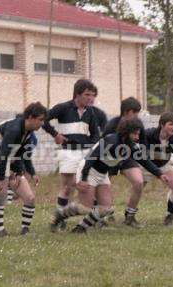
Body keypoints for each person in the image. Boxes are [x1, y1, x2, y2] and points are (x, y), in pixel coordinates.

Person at [49, 118, 169, 233]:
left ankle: (80, 229)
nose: (137, 137)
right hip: (89, 170)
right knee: (86, 207)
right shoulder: (111, 141)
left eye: (138, 134)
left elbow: (144, 160)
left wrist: (160, 174)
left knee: (106, 208)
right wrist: (84, 179)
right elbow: (91, 158)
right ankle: (58, 216)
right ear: (127, 132)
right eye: (135, 134)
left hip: (102, 174)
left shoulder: (130, 146)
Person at [0, 102, 47, 240]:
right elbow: (4, 154)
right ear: (30, 117)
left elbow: (20, 154)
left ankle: (1, 232)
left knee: (4, 194)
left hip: (3, 156)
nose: (42, 123)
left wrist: (25, 172)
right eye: (40, 119)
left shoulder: (28, 132)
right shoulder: (14, 129)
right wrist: (1, 178)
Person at [42, 79, 100, 231]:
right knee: (69, 187)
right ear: (77, 94)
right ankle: (60, 219)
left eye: (93, 95)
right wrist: (55, 134)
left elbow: (95, 134)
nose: (90, 98)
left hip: (85, 154)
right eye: (87, 94)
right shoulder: (63, 107)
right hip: (67, 152)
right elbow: (43, 120)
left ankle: (90, 217)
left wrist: (92, 150)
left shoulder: (91, 112)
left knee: (84, 185)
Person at [101, 97, 147, 227]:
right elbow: (101, 145)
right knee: (103, 185)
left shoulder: (138, 124)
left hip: (127, 157)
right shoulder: (111, 125)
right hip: (109, 159)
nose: (137, 116)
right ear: (127, 112)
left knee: (139, 182)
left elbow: (143, 145)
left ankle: (130, 216)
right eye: (136, 112)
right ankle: (104, 215)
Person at [143, 112, 173, 225]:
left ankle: (170, 215)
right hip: (147, 165)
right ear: (162, 125)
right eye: (170, 124)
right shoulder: (148, 134)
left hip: (164, 164)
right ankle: (129, 216)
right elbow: (141, 155)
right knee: (137, 187)